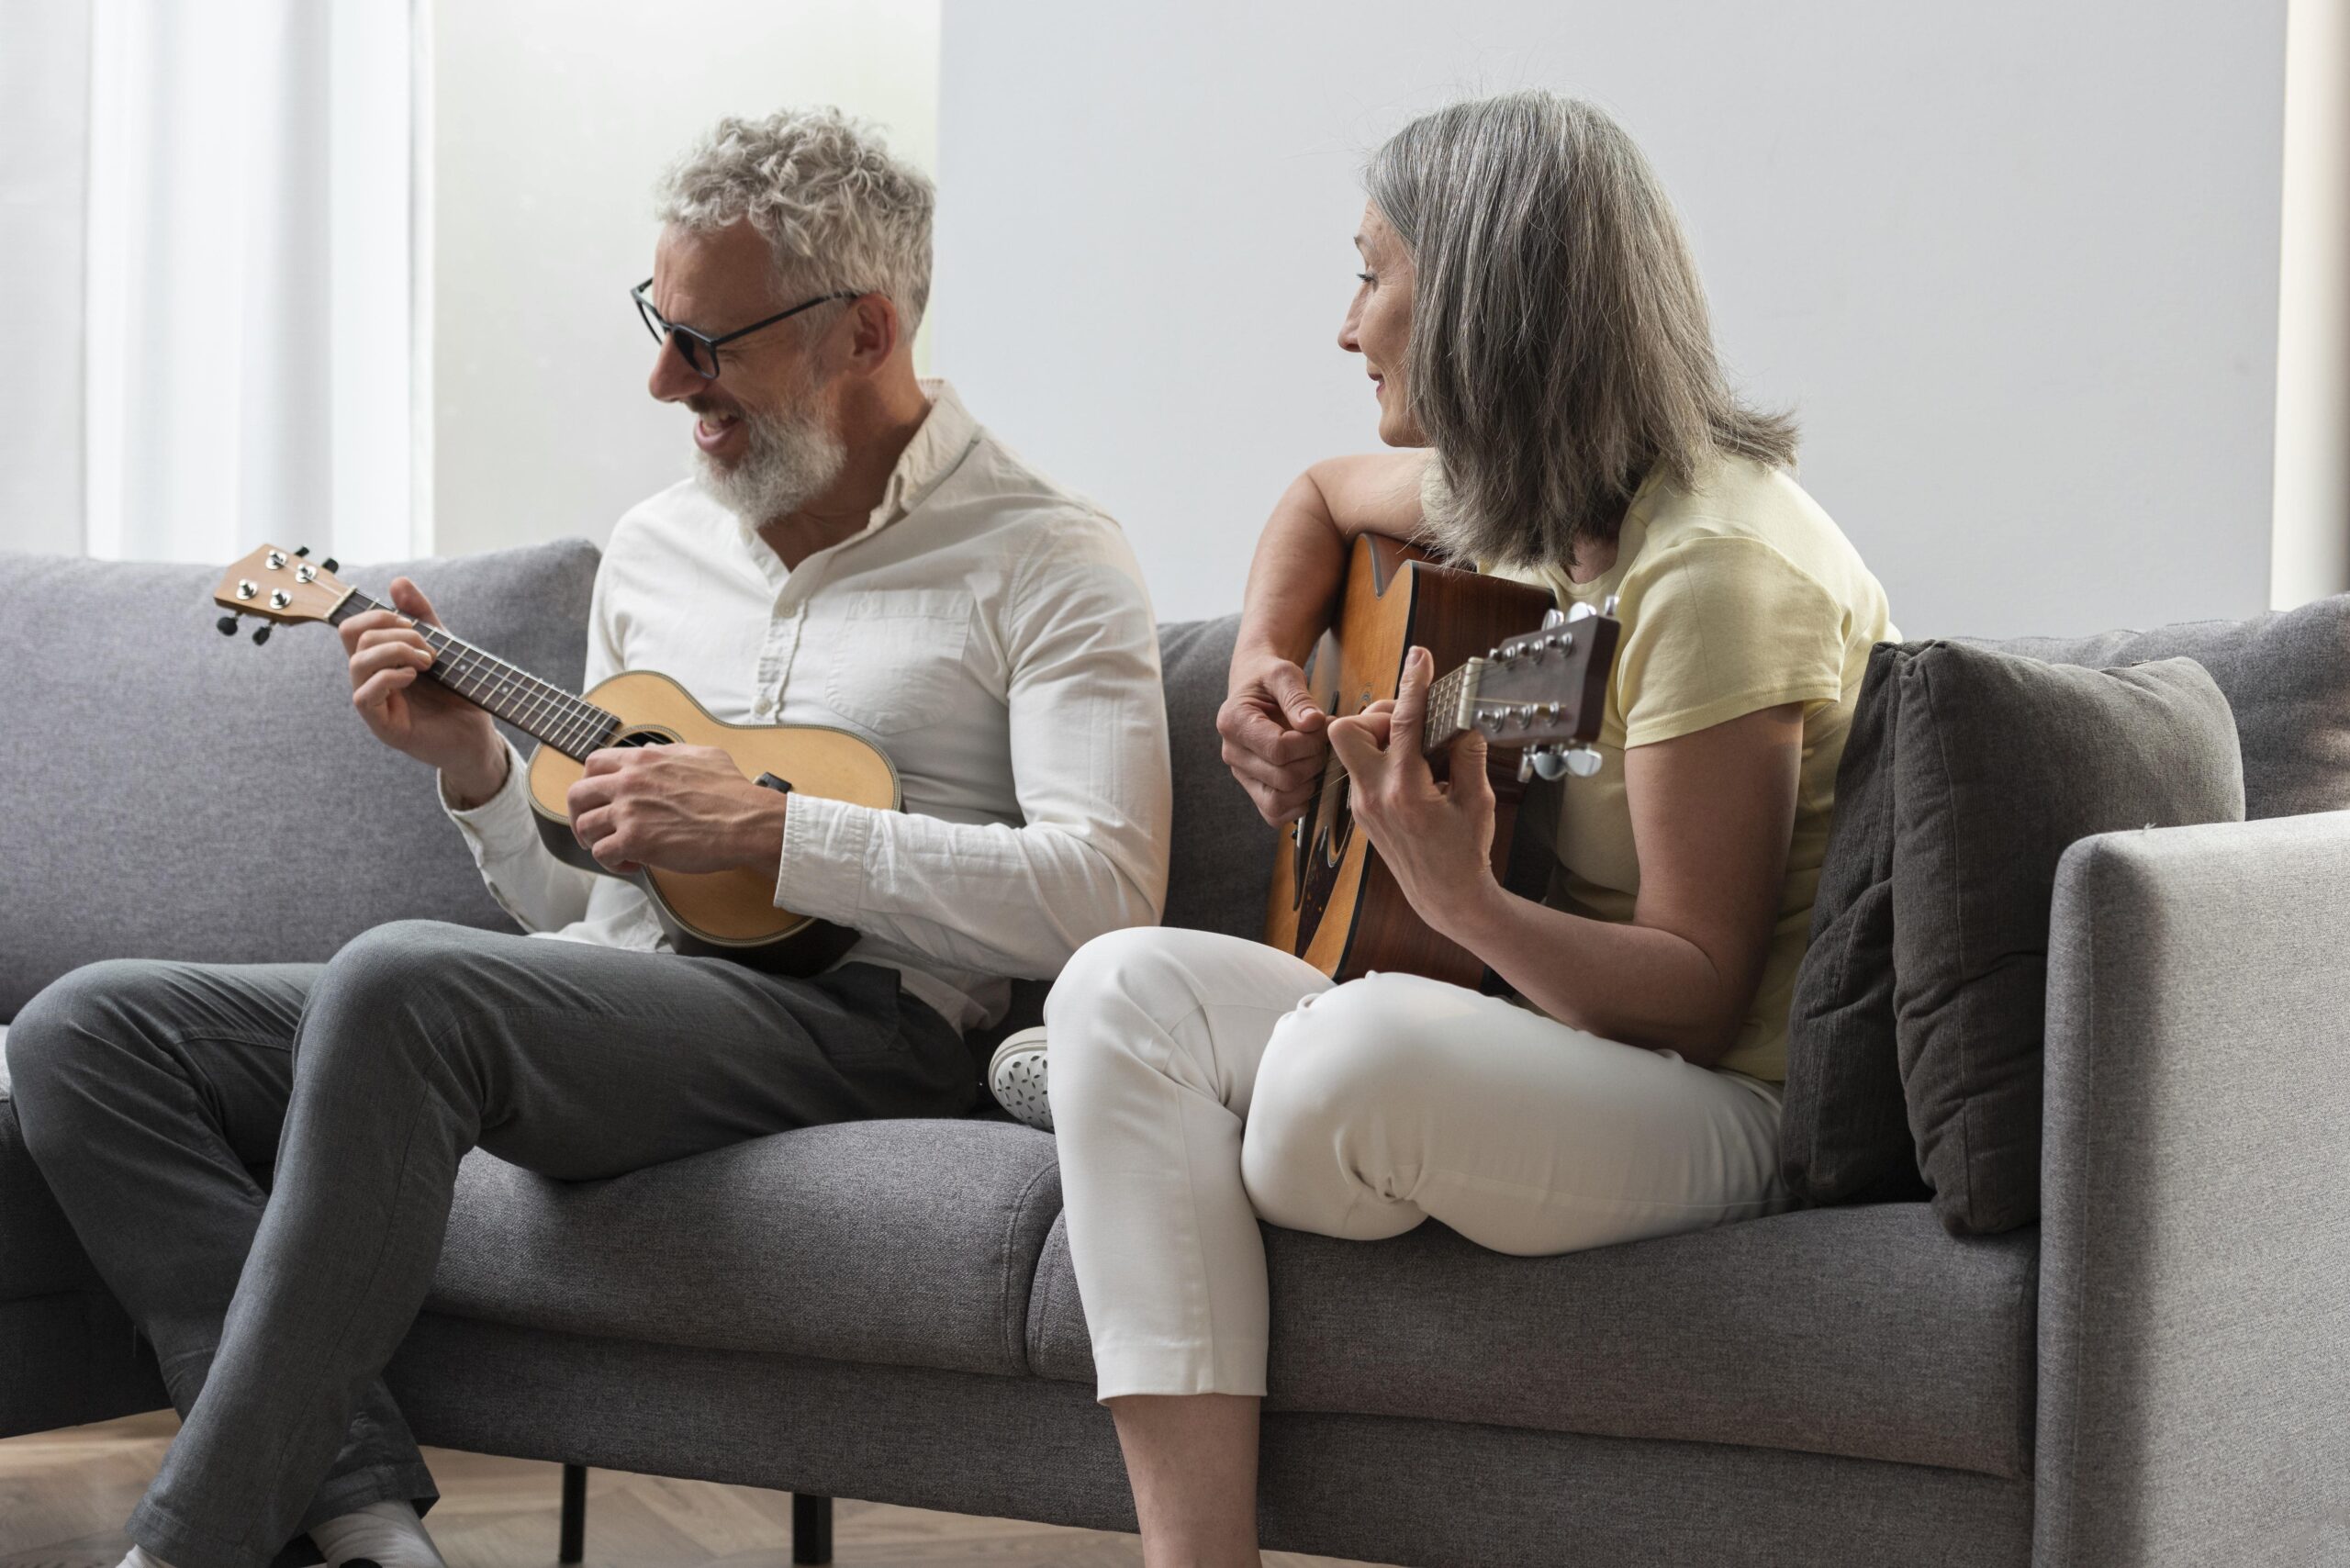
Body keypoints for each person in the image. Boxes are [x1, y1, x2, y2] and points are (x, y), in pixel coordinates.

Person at [5, 107, 1169, 1568]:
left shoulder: (1046, 557)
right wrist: (483, 771)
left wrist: (774, 829)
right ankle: (360, 1511)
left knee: (401, 982)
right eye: (660, 322)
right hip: (651, 1002)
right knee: (92, 1029)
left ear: (865, 330)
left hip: (867, 1023)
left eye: (711, 341)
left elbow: (1104, 894)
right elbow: (587, 921)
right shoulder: (660, 548)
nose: (665, 378)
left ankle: (187, 1543)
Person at [1024, 90, 1897, 1566]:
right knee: (1114, 983)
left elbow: (1697, 991)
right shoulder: (1543, 498)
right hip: (1544, 1040)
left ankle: (1153, 1119)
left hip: (1728, 1106)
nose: (1347, 324)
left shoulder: (1717, 571)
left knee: (1333, 1064)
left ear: (1484, 299)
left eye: (1373, 275)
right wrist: (1260, 677)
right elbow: (1314, 496)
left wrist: (1463, 895)